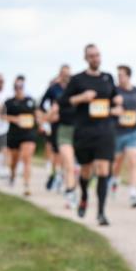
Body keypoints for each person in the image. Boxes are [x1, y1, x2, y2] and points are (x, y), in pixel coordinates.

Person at [62, 43, 122, 225]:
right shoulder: (78, 80)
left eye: (97, 55)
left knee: (104, 169)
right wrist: (81, 97)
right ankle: (84, 197)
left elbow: (114, 98)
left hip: (105, 130)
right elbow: (64, 101)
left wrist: (117, 105)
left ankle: (101, 212)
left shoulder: (107, 78)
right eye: (92, 56)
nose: (95, 58)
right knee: (86, 170)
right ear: (86, 58)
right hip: (84, 131)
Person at [111, 64, 136, 208]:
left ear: (128, 76)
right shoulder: (114, 91)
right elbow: (106, 107)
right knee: (116, 163)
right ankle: (114, 180)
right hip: (117, 132)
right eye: (118, 75)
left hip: (134, 131)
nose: (119, 77)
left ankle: (133, 194)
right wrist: (113, 110)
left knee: (133, 161)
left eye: (121, 75)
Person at [4, 75, 38, 195]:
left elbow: (36, 114)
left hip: (28, 133)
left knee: (26, 158)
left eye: (21, 86)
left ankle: (26, 185)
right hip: (14, 134)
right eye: (16, 86)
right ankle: (12, 175)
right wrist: (15, 119)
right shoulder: (9, 102)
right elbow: (3, 116)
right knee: (14, 160)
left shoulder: (30, 101)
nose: (18, 88)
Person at [50, 70, 80, 209]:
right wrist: (45, 120)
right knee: (69, 164)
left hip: (80, 132)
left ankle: (73, 187)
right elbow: (51, 114)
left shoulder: (81, 98)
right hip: (64, 132)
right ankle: (70, 194)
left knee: (79, 167)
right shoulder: (61, 99)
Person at [39, 65, 70, 192]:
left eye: (68, 74)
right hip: (56, 124)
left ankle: (60, 175)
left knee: (66, 152)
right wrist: (48, 117)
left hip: (69, 124)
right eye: (63, 73)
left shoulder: (73, 88)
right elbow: (41, 105)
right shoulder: (53, 89)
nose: (65, 76)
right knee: (57, 152)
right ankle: (55, 174)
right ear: (60, 74)